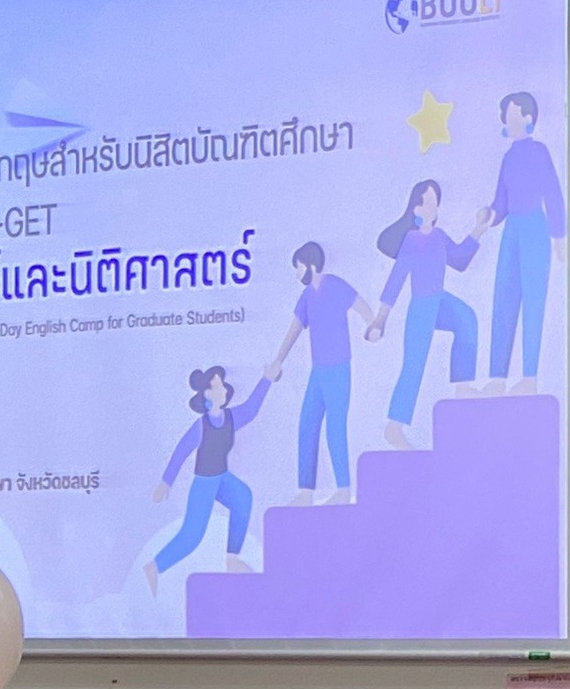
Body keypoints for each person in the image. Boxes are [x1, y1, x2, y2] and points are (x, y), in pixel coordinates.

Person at [367, 179, 488, 449]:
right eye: (425, 201)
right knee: (414, 365)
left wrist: (479, 229)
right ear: (415, 207)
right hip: (421, 307)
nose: (430, 206)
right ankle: (393, 427)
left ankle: (463, 388)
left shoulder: (440, 236)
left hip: (440, 301)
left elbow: (459, 259)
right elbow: (396, 279)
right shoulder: (411, 240)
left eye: (434, 201)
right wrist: (380, 319)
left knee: (466, 318)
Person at [144, 365, 275, 594]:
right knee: (192, 535)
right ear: (207, 394)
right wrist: (166, 482)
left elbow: (251, 409)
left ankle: (232, 560)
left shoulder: (231, 417)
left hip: (222, 478)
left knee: (243, 498)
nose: (223, 388)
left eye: (223, 384)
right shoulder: (201, 426)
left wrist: (267, 379)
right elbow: (182, 450)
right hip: (204, 483)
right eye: (217, 385)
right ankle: (154, 567)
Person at [264, 242, 375, 506]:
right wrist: (278, 360)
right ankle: (305, 491)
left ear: (310, 264)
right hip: (318, 371)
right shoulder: (306, 297)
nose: (297, 273)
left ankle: (343, 489)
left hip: (338, 369)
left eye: (299, 267)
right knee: (307, 425)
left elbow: (363, 307)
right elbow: (294, 329)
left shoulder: (334, 285)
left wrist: (373, 326)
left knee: (335, 427)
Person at [482, 91, 565, 395]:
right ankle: (497, 377)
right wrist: (489, 215)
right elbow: (500, 202)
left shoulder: (539, 151)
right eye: (507, 115)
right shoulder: (508, 157)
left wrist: (560, 235)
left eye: (514, 114)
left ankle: (530, 377)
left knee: (533, 301)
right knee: (503, 298)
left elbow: (553, 192)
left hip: (534, 228)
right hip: (512, 230)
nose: (510, 120)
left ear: (529, 118)